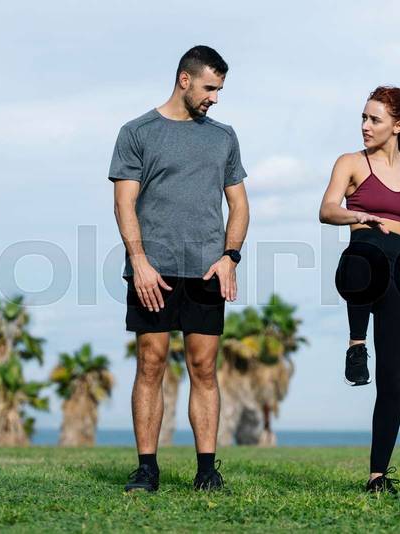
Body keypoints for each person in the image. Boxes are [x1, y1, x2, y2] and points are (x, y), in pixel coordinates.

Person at [108, 45, 250, 492]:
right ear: (185, 80)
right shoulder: (137, 132)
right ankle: (147, 468)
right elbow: (124, 202)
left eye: (220, 89)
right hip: (153, 270)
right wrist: (139, 262)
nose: (215, 97)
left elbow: (239, 205)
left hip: (207, 271)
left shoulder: (223, 136)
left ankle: (206, 470)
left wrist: (230, 257)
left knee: (204, 368)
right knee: (150, 363)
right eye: (210, 87)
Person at [318, 86, 400, 494]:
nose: (364, 126)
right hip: (360, 263)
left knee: (392, 381)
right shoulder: (351, 163)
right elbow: (326, 210)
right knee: (370, 248)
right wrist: (360, 214)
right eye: (363, 118)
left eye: (374, 119)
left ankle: (377, 476)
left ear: (398, 125)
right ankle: (357, 343)